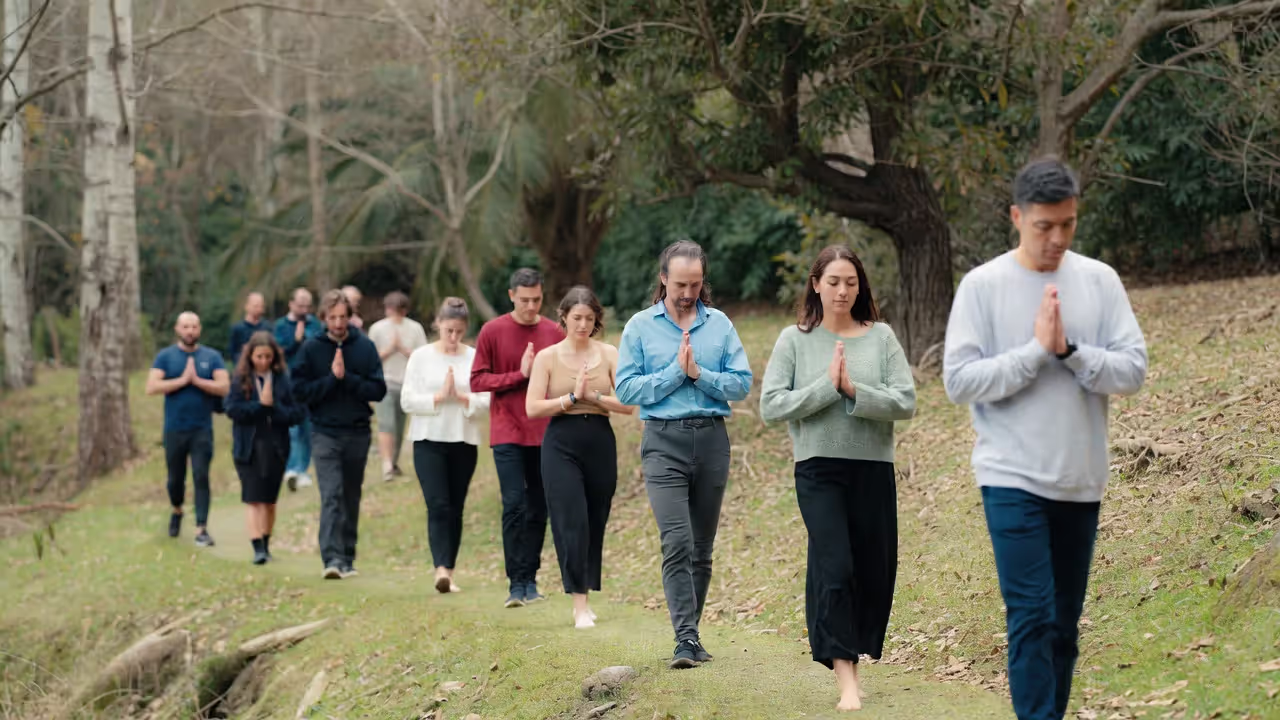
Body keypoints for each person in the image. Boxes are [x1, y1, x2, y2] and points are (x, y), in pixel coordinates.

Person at [943, 158, 1147, 720]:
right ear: (1016, 216)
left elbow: (1132, 370)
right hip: (1010, 476)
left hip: (1080, 477)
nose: (1057, 238)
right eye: (1044, 226)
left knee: (1062, 623)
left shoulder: (1099, 281)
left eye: (1068, 224)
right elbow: (959, 381)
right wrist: (1036, 354)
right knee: (1030, 615)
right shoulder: (983, 286)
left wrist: (1070, 352)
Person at [760, 245, 917, 711]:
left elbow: (905, 402)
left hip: (873, 468)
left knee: (873, 569)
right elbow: (772, 406)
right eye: (833, 282)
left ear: (860, 285)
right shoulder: (794, 340)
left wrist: (854, 390)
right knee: (836, 565)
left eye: (850, 282)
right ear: (815, 284)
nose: (842, 290)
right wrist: (825, 388)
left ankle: (854, 656)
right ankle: (846, 677)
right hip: (818, 468)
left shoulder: (882, 337)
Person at [615, 240, 752, 669]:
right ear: (663, 279)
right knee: (677, 541)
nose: (687, 292)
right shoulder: (639, 327)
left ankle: (691, 637)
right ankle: (685, 638)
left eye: (694, 284)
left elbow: (741, 383)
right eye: (679, 284)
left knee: (702, 548)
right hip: (663, 443)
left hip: (712, 440)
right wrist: (676, 374)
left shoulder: (721, 325)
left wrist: (700, 374)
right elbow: (626, 388)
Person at [526, 287, 634, 629]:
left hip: (599, 440)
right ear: (564, 317)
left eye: (589, 318)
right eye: (577, 318)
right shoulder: (547, 357)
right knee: (571, 519)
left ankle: (585, 589)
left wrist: (594, 396)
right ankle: (579, 604)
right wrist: (571, 398)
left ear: (596, 320)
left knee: (594, 518)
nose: (583, 324)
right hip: (560, 442)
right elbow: (532, 407)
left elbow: (628, 404)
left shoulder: (609, 353)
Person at [470, 268, 565, 608]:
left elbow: (563, 377)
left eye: (536, 299)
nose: (530, 306)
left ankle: (532, 579)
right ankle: (516, 582)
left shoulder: (553, 332)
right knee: (514, 505)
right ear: (511, 295)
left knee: (539, 508)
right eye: (524, 300)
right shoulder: (492, 331)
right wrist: (519, 375)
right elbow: (477, 381)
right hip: (507, 429)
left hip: (545, 433)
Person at [292, 289, 387, 579]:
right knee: (331, 495)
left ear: (350, 317)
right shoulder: (311, 348)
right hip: (325, 432)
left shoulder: (365, 347)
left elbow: (378, 390)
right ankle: (331, 558)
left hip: (357, 431)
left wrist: (348, 379)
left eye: (342, 317)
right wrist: (331, 379)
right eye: (332, 317)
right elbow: (300, 392)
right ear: (323, 318)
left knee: (350, 496)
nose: (338, 322)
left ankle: (347, 556)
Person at [400, 297, 491, 593]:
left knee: (455, 506)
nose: (453, 338)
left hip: (463, 440)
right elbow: (407, 400)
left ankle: (449, 571)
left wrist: (462, 398)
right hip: (428, 440)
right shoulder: (420, 356)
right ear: (437, 324)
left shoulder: (474, 356)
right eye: (448, 330)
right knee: (437, 504)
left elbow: (487, 400)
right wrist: (439, 397)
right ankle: (440, 567)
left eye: (459, 332)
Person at [145, 312, 231, 547]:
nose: (190, 331)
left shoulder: (211, 357)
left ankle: (201, 528)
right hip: (174, 429)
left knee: (201, 476)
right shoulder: (166, 357)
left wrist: (198, 381)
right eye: (185, 327)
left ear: (199, 329)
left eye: (193, 326)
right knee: (175, 479)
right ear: (177, 329)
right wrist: (183, 380)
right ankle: (177, 509)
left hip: (201, 429)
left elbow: (224, 386)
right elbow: (151, 386)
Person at [224, 331, 306, 564]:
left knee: (269, 500)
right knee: (253, 498)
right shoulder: (240, 380)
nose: (263, 361)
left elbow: (297, 413)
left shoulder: (283, 380)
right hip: (248, 447)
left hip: (276, 446)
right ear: (250, 356)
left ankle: (266, 543)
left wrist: (273, 408)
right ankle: (257, 547)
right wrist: (260, 407)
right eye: (259, 356)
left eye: (268, 357)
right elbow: (232, 409)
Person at [368, 291, 429, 481]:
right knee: (387, 424)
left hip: (407, 384)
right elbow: (370, 360)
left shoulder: (415, 328)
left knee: (400, 426)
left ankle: (393, 463)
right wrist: (390, 349)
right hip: (384, 383)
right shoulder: (377, 329)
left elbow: (423, 357)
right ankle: (386, 465)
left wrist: (402, 349)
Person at [274, 288, 324, 490]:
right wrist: (295, 341)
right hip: (287, 384)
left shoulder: (315, 324)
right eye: (300, 305)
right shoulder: (280, 326)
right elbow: (277, 353)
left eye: (307, 305)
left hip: (311, 385)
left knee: (308, 429)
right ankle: (291, 469)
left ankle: (303, 469)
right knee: (291, 430)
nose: (304, 309)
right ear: (291, 304)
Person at [228, 291, 271, 364]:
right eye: (256, 306)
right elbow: (232, 352)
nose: (259, 309)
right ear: (247, 306)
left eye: (261, 306)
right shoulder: (237, 328)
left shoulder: (268, 327)